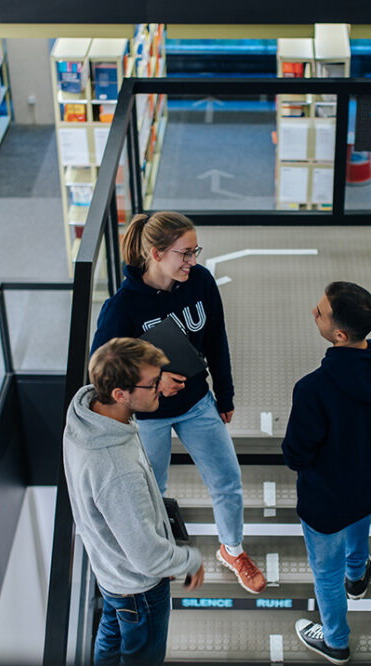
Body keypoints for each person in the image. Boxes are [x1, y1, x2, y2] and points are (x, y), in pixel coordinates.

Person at [91, 211, 266, 594]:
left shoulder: (200, 282)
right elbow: (101, 372)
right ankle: (159, 557)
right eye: (184, 254)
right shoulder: (121, 308)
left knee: (228, 480)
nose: (193, 262)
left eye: (194, 252)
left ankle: (232, 550)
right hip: (148, 418)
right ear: (156, 254)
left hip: (198, 402)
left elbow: (217, 338)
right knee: (152, 491)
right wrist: (152, 383)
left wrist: (226, 392)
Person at [282, 282, 371, 664]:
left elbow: (296, 454)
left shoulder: (313, 389)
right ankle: (357, 575)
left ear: (339, 335)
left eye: (320, 312)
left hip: (325, 502)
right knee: (359, 518)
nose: (314, 312)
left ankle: (336, 641)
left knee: (326, 574)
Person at [63, 337, 205, 666]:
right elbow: (149, 559)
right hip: (140, 591)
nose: (161, 387)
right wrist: (190, 559)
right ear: (119, 393)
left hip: (110, 571)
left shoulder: (87, 416)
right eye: (154, 383)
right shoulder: (117, 470)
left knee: (110, 636)